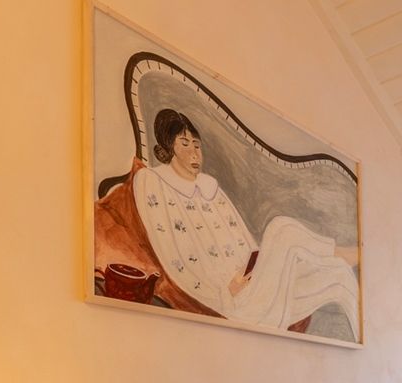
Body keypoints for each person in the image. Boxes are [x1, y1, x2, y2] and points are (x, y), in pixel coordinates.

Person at [97, 109, 360, 338]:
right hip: (228, 300)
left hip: (252, 285)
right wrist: (226, 290)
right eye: (185, 144)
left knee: (338, 275)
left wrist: (256, 268)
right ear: (169, 148)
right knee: (281, 228)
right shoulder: (152, 182)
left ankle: (340, 266)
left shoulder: (210, 186)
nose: (194, 152)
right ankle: (340, 253)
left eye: (197, 145)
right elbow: (172, 257)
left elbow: (246, 243)